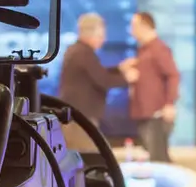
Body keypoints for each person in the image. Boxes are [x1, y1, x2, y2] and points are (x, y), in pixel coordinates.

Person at [59, 13, 138, 152]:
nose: (104, 40)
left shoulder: (78, 51)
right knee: (87, 155)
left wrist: (119, 68)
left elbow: (96, 73)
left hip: (77, 117)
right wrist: (127, 78)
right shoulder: (83, 53)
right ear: (89, 34)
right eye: (101, 36)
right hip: (80, 119)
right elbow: (102, 80)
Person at [127, 11, 179, 163]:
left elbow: (173, 75)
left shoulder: (158, 49)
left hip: (156, 113)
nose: (131, 31)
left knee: (158, 157)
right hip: (143, 113)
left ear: (144, 26)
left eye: (134, 26)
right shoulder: (144, 51)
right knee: (151, 155)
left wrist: (169, 103)